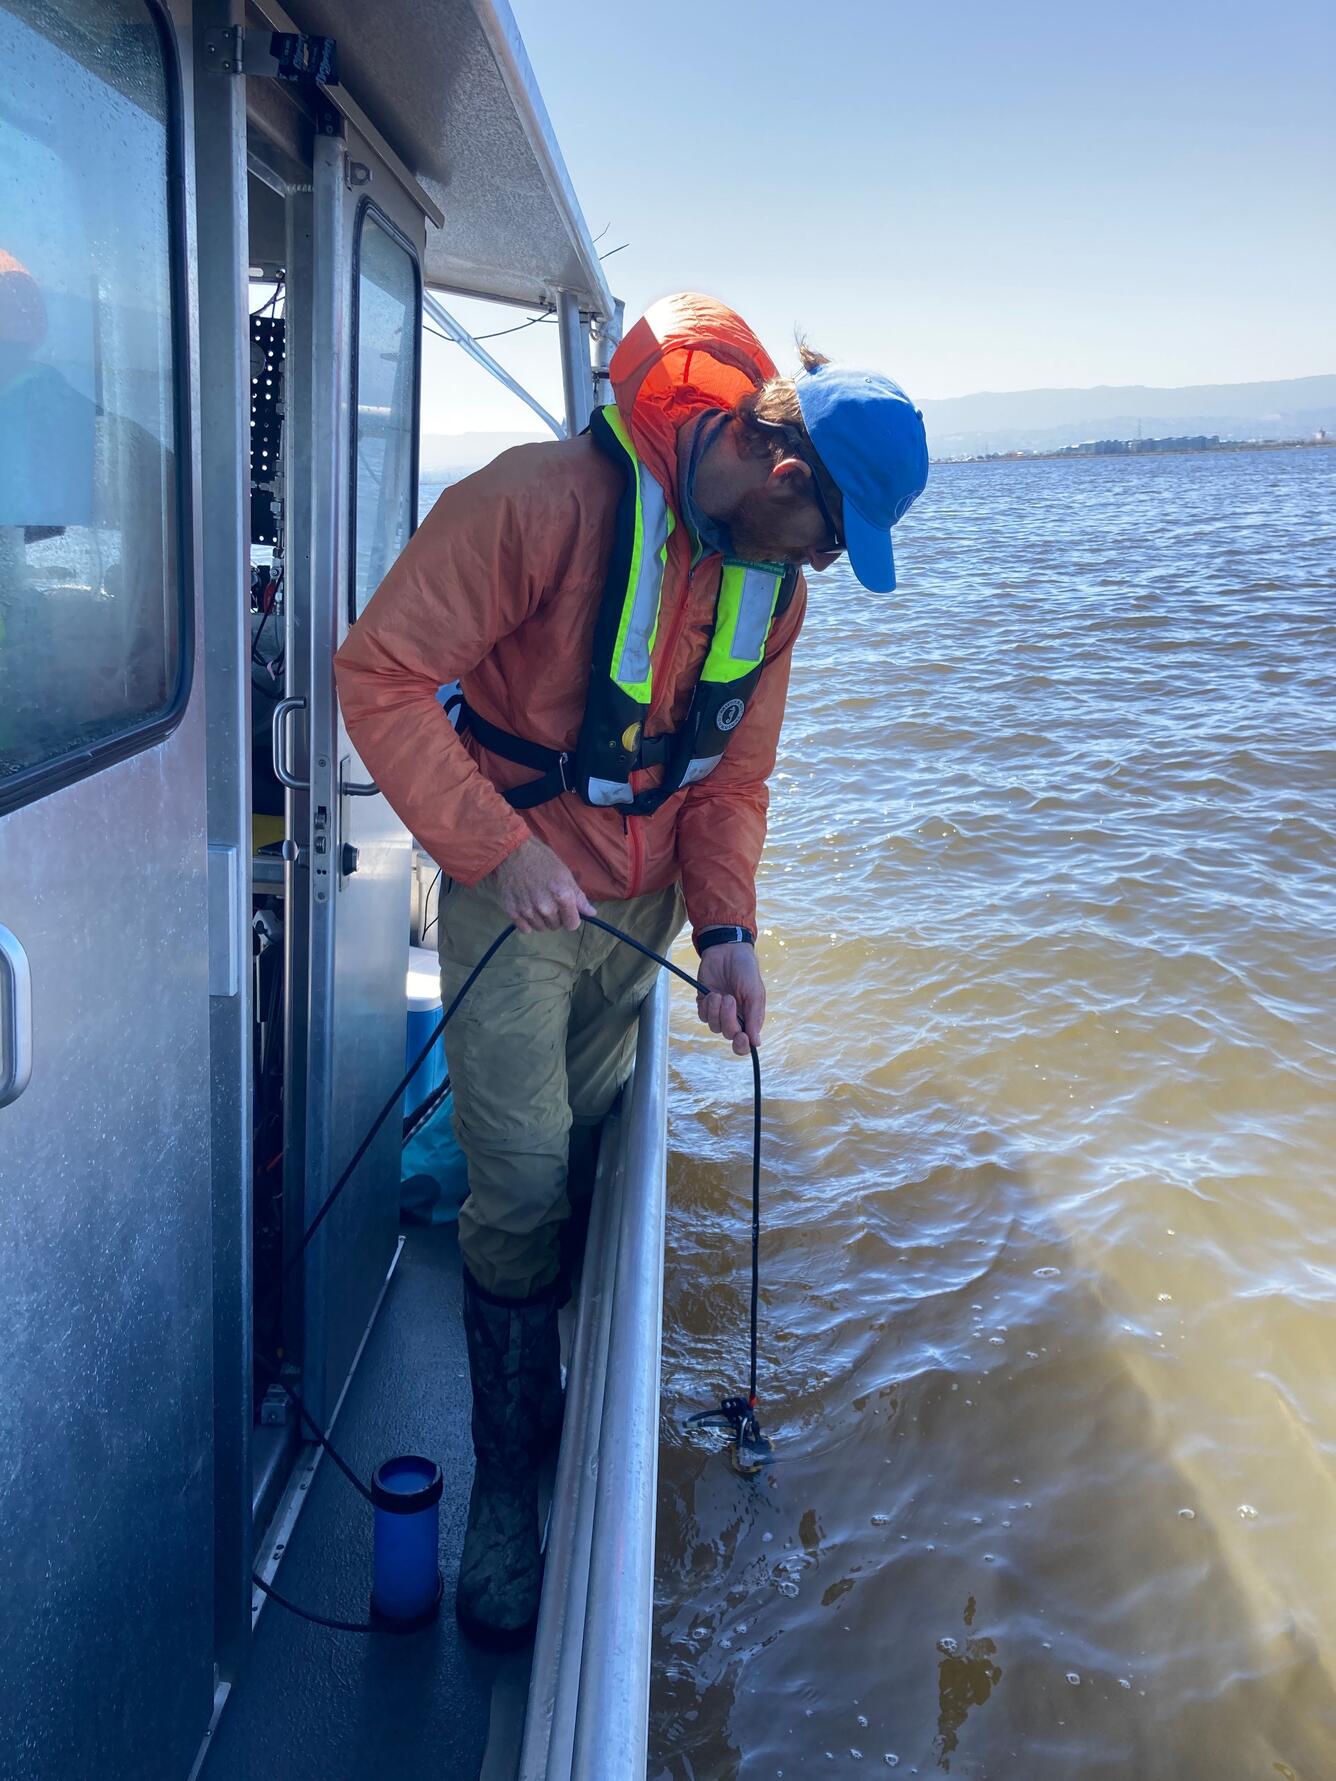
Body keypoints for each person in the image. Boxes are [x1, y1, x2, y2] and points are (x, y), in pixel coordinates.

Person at [333, 291, 928, 1644]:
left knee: (593, 1153)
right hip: (511, 896)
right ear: (784, 476)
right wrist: (494, 848)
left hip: (642, 912)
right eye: (831, 541)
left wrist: (726, 932)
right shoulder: (538, 500)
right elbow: (374, 676)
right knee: (521, 1175)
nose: (822, 569)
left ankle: (555, 1423)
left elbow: (736, 781)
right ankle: (504, 1495)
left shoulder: (769, 590)